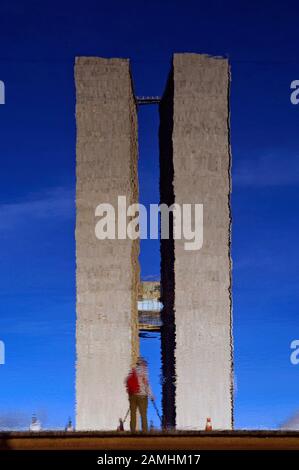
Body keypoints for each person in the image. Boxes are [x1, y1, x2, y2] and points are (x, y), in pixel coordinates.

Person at [125, 357, 153, 432]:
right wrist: (151, 395)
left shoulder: (133, 370)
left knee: (133, 414)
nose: (145, 365)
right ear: (143, 363)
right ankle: (144, 432)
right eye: (145, 363)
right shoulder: (144, 371)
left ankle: (133, 431)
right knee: (143, 414)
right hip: (142, 396)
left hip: (132, 395)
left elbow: (126, 380)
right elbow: (147, 384)